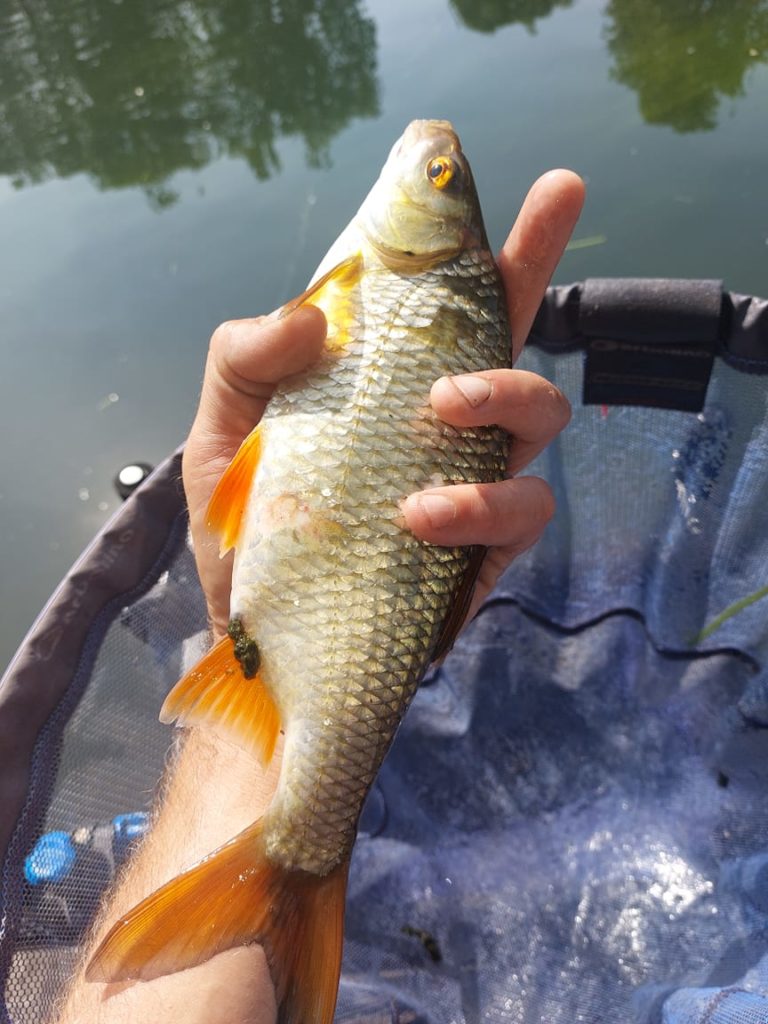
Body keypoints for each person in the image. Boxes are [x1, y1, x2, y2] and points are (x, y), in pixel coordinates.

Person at [56, 168, 585, 1024]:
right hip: (304, 591)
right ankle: (292, 884)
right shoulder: (377, 285)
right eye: (443, 176)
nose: (434, 160)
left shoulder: (374, 283)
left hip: (317, 592)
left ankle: (290, 878)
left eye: (439, 177)